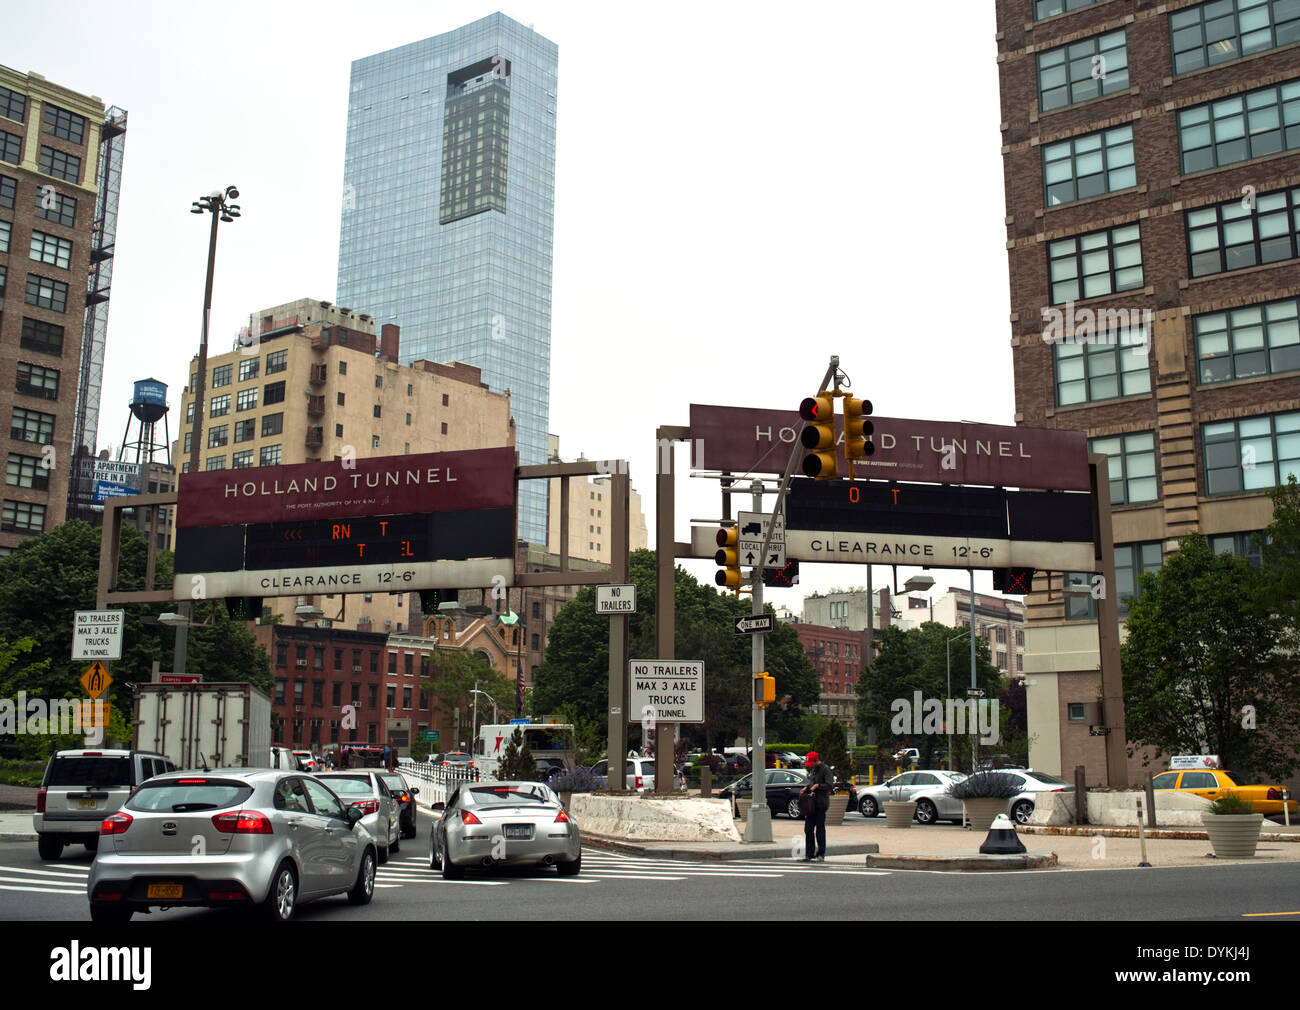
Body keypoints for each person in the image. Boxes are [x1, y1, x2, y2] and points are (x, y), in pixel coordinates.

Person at [801, 750, 833, 862]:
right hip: (812, 804)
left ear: (816, 760)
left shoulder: (825, 769)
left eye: (811, 763)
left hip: (821, 803)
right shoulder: (814, 770)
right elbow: (811, 782)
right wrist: (807, 787)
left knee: (820, 828)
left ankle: (821, 853)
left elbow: (830, 784)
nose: (810, 766)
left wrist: (818, 786)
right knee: (808, 829)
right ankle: (809, 854)